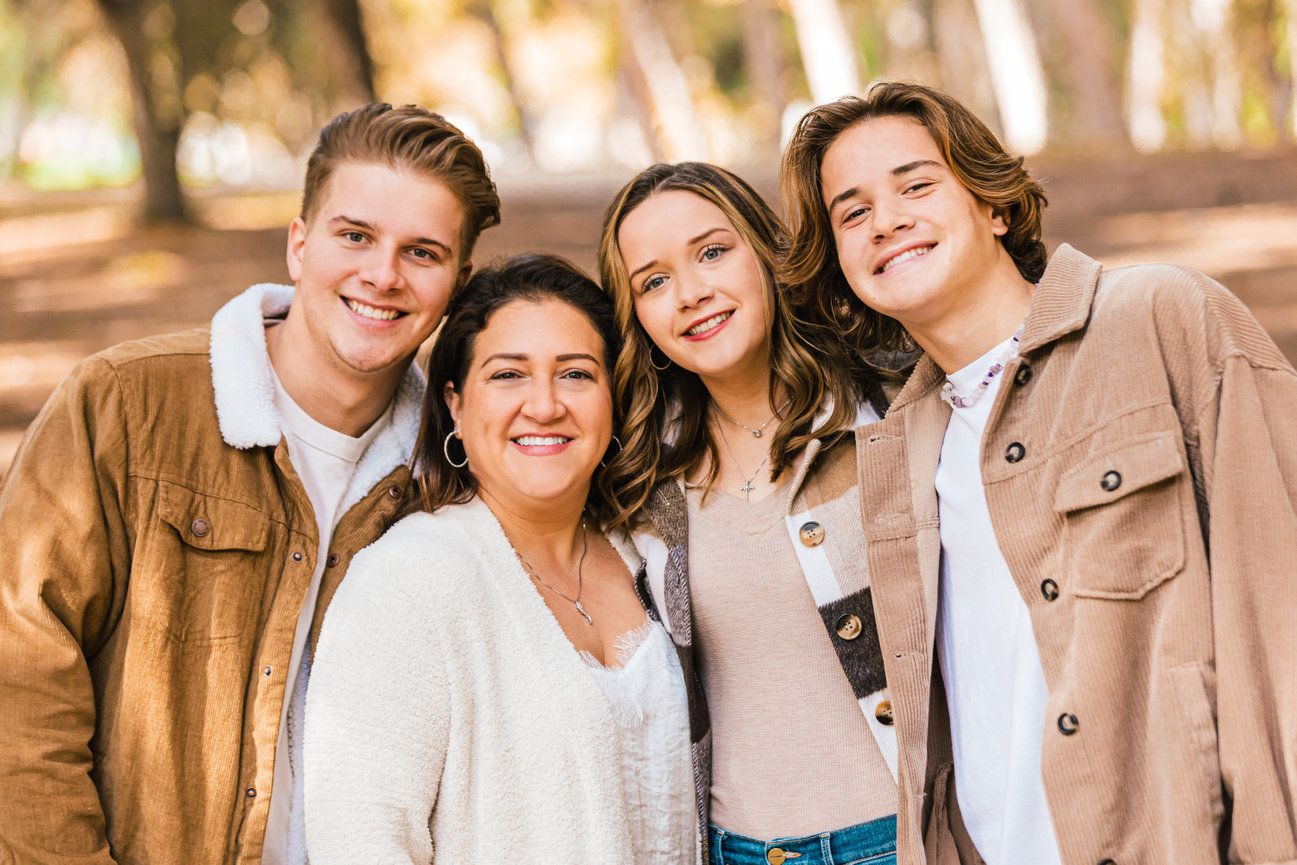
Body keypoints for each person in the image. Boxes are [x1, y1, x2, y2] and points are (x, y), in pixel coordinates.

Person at [781, 80, 1297, 865]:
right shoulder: (898, 448)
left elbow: (1279, 611)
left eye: (915, 186)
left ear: (992, 205)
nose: (884, 221)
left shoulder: (1161, 317)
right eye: (851, 213)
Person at [0, 102, 500, 865]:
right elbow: (20, 679)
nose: (382, 274)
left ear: (457, 283)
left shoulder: (453, 476)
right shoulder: (122, 405)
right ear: (299, 244)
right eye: (355, 235)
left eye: (421, 252)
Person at [303, 253, 696, 864]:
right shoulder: (404, 583)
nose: (544, 406)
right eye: (508, 375)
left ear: (613, 400)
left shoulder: (654, 553)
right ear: (456, 406)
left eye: (576, 374)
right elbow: (359, 841)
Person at [598, 162, 899, 865]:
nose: (691, 294)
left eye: (711, 252)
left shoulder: (888, 411)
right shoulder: (638, 484)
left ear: (765, 252)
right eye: (653, 282)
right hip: (740, 851)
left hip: (907, 836)